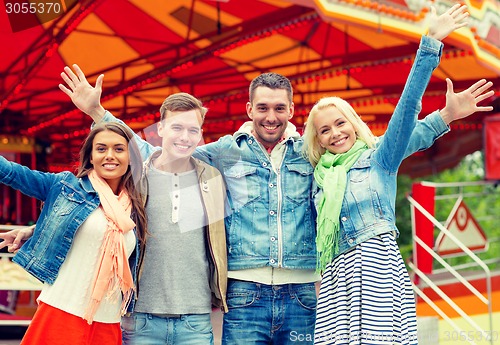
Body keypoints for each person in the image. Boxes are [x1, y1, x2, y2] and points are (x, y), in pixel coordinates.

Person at [53, 9, 482, 342]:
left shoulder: (314, 154)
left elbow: (388, 147)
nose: (271, 116)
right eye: (263, 107)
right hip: (245, 293)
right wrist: (96, 112)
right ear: (249, 110)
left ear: (292, 111)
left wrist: (444, 115)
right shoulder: (223, 152)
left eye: (280, 108)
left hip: (305, 292)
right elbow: (153, 152)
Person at [301, 6, 494, 345]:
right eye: (324, 130)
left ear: (354, 123)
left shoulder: (379, 159)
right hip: (335, 281)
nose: (334, 134)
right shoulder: (318, 178)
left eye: (340, 123)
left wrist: (429, 44)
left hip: (376, 271)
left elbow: (405, 119)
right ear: (317, 140)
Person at [58, 83, 228, 344]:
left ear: (201, 134)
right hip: (141, 318)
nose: (185, 136)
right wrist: (96, 111)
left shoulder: (211, 178)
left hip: (196, 318)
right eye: (177, 128)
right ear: (160, 130)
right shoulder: (135, 176)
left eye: (193, 130)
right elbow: (98, 214)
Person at [0, 122, 148, 345]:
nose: (110, 155)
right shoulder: (65, 186)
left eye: (119, 149)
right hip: (62, 310)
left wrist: (33, 229)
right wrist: (38, 229)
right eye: (101, 149)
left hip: (108, 320)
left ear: (131, 158)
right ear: (90, 157)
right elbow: (11, 172)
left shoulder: (137, 205)